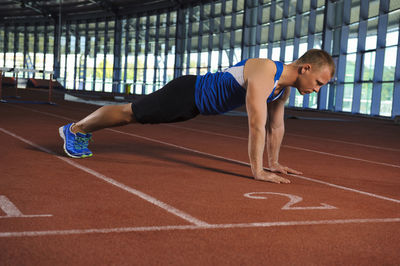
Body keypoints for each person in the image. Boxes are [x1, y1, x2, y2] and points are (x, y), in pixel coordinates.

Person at [59, 49, 335, 184]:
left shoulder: (281, 90)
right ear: (305, 68)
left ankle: (78, 129)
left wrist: (273, 162)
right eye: (319, 82)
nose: (317, 89)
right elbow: (256, 122)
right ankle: (75, 129)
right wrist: (257, 170)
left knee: (132, 116)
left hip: (194, 107)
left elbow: (275, 126)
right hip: (187, 93)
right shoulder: (265, 70)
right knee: (129, 114)